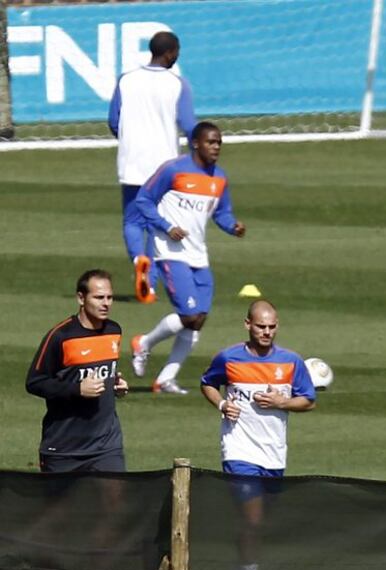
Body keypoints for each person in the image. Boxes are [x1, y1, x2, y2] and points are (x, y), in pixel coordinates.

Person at [200, 300, 316, 570]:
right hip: (239, 450)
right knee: (253, 519)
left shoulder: (291, 361)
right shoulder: (229, 357)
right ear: (247, 324)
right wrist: (223, 405)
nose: (266, 332)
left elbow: (308, 401)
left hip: (274, 454)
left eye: (272, 327)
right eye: (261, 326)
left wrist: (282, 401)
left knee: (257, 524)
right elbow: (207, 384)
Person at [129, 121, 246, 394]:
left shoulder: (219, 178)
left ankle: (165, 378)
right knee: (190, 314)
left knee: (200, 318)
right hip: (170, 251)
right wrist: (167, 227)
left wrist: (233, 226)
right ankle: (144, 343)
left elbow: (221, 213)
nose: (216, 147)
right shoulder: (174, 170)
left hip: (198, 254)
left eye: (219, 142)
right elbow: (144, 199)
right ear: (196, 143)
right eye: (211, 142)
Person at [108, 31, 197, 304]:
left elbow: (113, 121)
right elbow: (190, 125)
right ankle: (152, 283)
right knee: (158, 226)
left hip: (132, 160)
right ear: (170, 52)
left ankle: (139, 261)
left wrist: (129, 141)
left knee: (133, 221)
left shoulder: (126, 80)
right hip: (165, 166)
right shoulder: (177, 84)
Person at [26, 269, 129, 472]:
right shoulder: (61, 336)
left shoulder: (114, 331)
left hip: (106, 446)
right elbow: (35, 382)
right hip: (64, 449)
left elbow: (103, 371)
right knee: (63, 505)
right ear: (81, 298)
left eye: (110, 297)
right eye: (99, 297)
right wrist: (77, 389)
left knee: (116, 503)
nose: (106, 303)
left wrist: (115, 386)